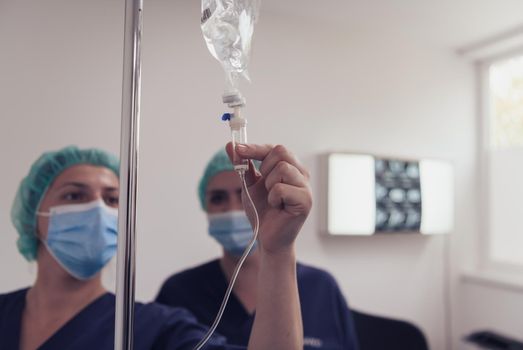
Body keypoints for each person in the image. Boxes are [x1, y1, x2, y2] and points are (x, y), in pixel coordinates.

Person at [0, 143, 311, 350]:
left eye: (112, 199)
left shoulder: (153, 329)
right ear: (33, 216)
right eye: (74, 196)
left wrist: (277, 251)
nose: (97, 210)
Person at [155, 148, 360, 350]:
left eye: (244, 194)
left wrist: (279, 249)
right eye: (218, 198)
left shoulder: (321, 287)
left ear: (271, 197)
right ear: (205, 206)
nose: (233, 209)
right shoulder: (179, 292)